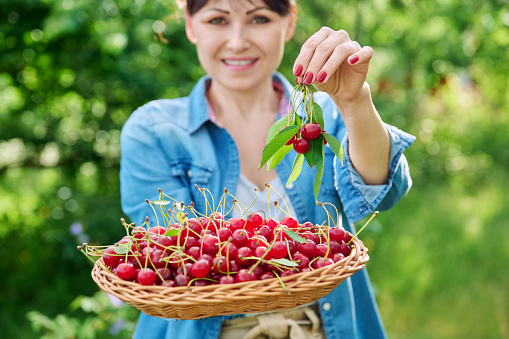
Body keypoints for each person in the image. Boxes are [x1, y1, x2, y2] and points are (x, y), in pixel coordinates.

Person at [120, 0, 415, 338]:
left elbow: (384, 193)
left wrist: (354, 101)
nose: (237, 41)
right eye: (217, 19)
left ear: (289, 23)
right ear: (190, 26)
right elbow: (168, 258)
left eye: (259, 18)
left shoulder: (323, 116)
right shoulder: (155, 130)